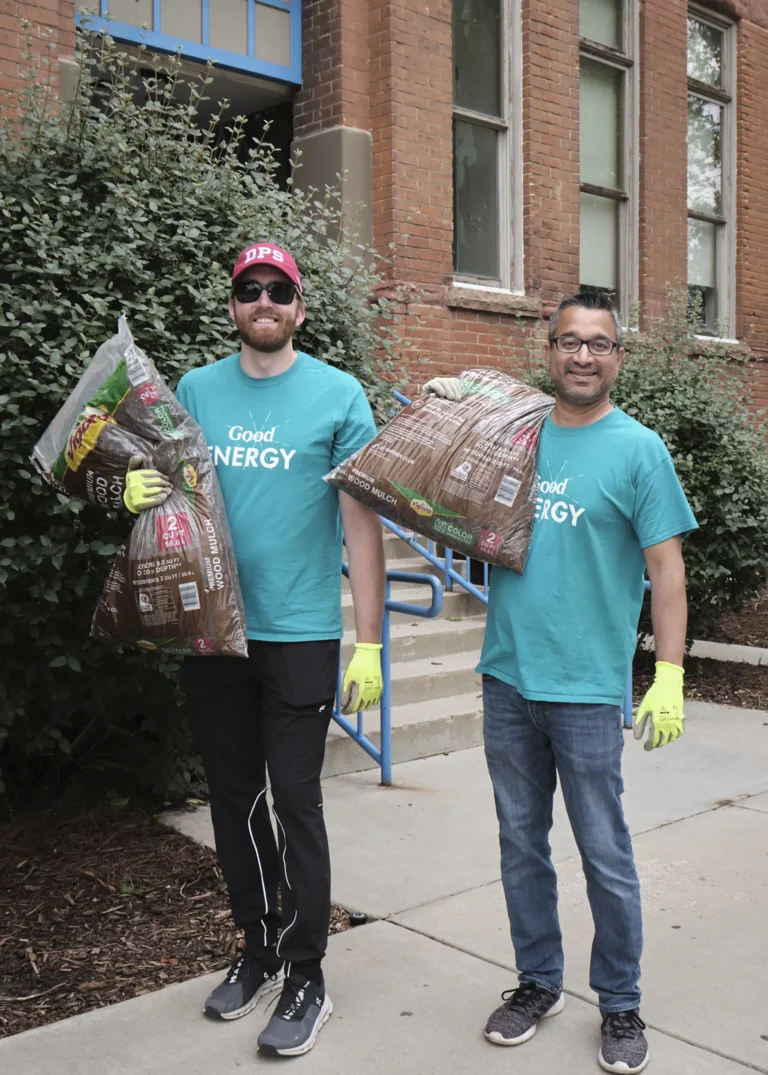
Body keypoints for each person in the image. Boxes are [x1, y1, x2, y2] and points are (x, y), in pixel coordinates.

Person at [423, 291, 697, 1075]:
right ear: (547, 350)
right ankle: (536, 981)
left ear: (619, 356)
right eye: (569, 341)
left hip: (584, 687)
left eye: (599, 344)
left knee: (604, 852)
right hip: (507, 675)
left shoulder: (638, 449)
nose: (583, 355)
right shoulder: (517, 433)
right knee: (520, 844)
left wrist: (668, 674)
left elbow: (667, 569)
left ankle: (619, 1000)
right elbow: (441, 464)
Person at [123, 241, 386, 1057]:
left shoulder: (340, 395)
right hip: (215, 628)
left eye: (279, 290)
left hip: (301, 632)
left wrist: (370, 643)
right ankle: (260, 944)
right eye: (249, 289)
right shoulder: (197, 389)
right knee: (234, 799)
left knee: (297, 800)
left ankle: (308, 972)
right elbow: (172, 486)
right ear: (234, 305)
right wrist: (137, 488)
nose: (264, 300)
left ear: (299, 308)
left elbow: (362, 525)